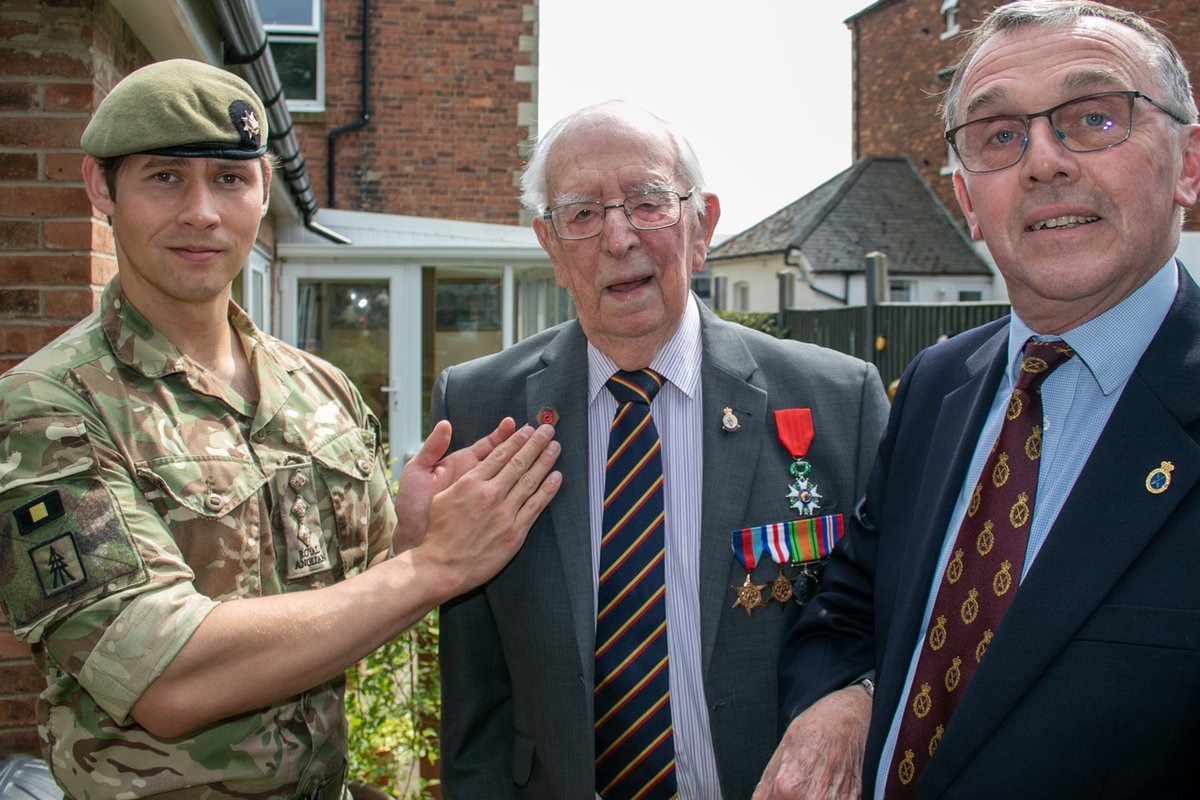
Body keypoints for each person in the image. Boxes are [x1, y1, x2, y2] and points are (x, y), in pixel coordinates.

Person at [0, 59, 562, 799]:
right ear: (100, 188)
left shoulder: (318, 390)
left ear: (264, 191)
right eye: (164, 177)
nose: (202, 212)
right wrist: (431, 569)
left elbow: (352, 607)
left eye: (229, 180)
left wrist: (411, 541)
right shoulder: (47, 410)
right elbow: (165, 679)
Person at [755, 2, 1200, 798]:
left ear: (1189, 164)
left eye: (1093, 118)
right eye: (1000, 136)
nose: (1043, 162)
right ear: (967, 201)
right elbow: (851, 607)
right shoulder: (937, 385)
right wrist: (847, 700)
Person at [434, 100, 890, 799]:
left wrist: (858, 695)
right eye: (582, 214)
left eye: (648, 203)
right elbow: (474, 692)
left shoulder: (838, 400)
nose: (618, 238)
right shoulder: (479, 409)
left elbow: (896, 627)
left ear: (701, 226)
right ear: (550, 245)